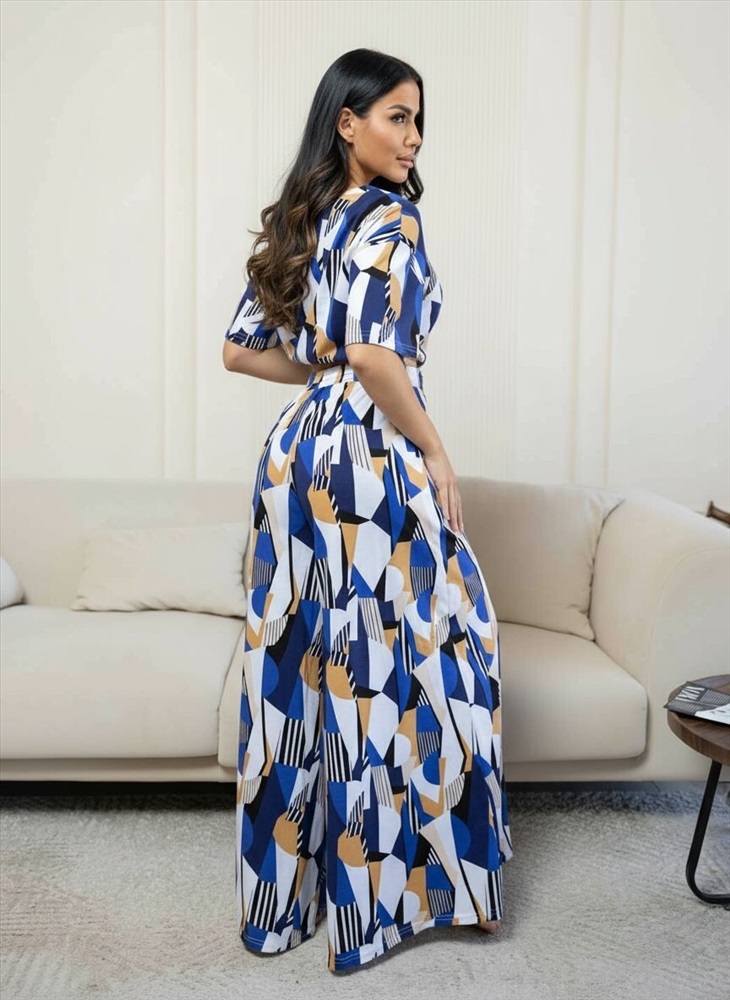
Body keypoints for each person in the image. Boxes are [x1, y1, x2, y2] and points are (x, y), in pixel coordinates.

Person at [223, 47, 514, 973]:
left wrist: (326, 371)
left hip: (295, 452)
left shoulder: (305, 218)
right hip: (367, 455)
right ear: (347, 122)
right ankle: (412, 899)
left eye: (419, 119)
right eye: (397, 115)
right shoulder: (393, 216)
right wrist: (435, 449)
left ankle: (282, 908)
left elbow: (241, 350)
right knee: (424, 660)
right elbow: (378, 356)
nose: (414, 136)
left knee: (301, 666)